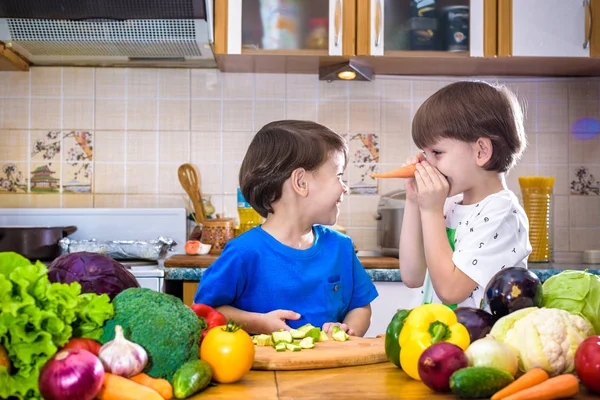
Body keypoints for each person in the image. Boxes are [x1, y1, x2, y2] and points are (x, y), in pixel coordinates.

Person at [194, 120, 378, 336]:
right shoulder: (244, 252)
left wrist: (348, 329)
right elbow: (206, 311)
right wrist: (259, 322)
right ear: (301, 182)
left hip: (330, 369)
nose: (344, 187)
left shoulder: (341, 247)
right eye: (338, 176)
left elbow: (360, 306)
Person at [398, 81, 532, 310]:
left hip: (482, 342)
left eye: (436, 153)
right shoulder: (450, 204)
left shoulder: (501, 213)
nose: (425, 164)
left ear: (481, 151)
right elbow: (412, 276)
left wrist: (430, 210)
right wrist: (414, 200)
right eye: (424, 153)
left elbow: (450, 291)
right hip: (445, 338)